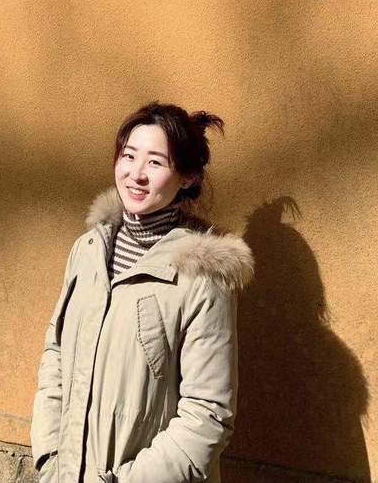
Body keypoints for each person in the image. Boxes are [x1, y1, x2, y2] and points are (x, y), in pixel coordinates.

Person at [31, 102, 254, 483]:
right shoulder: (89, 251)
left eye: (155, 162)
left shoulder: (202, 278)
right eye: (129, 155)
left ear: (187, 177)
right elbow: (56, 355)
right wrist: (50, 458)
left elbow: (207, 415)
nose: (136, 174)